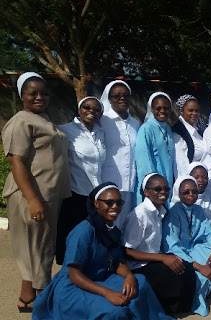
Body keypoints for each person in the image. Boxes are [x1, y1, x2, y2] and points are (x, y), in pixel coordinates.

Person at [32, 183, 172, 319]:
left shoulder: (112, 231)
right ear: (96, 204)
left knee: (139, 282)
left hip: (101, 278)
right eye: (109, 202)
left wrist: (129, 276)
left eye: (119, 202)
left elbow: (118, 263)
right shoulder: (83, 232)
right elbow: (74, 275)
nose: (115, 207)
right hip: (76, 285)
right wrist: (107, 293)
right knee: (113, 311)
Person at [2, 73, 71, 313]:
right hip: (32, 195)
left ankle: (27, 298)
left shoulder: (42, 118)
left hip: (48, 194)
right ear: (22, 96)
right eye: (33, 93)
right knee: (37, 248)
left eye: (44, 92)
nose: (39, 97)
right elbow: (16, 162)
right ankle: (44, 302)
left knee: (39, 247)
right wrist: (33, 200)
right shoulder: (20, 122)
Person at [122, 173, 196, 316]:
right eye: (157, 189)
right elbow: (127, 251)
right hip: (139, 265)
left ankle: (182, 309)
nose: (163, 192)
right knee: (170, 274)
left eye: (166, 189)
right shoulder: (139, 215)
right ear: (146, 192)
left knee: (185, 267)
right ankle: (166, 311)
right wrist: (162, 258)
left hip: (154, 259)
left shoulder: (161, 210)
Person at [163, 175, 211, 317]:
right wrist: (199, 266)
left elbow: (210, 230)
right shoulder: (173, 214)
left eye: (194, 191)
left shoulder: (198, 209)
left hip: (196, 246)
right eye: (186, 192)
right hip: (181, 252)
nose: (191, 195)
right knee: (201, 265)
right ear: (178, 193)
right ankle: (197, 300)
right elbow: (172, 246)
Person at [56, 96, 106, 264]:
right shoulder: (65, 130)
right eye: (87, 107)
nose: (91, 111)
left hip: (94, 195)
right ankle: (66, 279)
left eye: (96, 109)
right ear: (79, 110)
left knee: (89, 239)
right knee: (71, 238)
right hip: (74, 194)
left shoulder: (100, 133)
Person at [99, 80, 140, 228]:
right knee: (108, 222)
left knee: (125, 223)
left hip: (130, 182)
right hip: (108, 180)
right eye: (117, 96)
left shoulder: (135, 123)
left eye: (126, 95)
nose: (122, 98)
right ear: (109, 99)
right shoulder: (102, 121)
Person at [134, 92, 175, 204]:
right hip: (154, 187)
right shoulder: (146, 129)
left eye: (166, 108)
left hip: (166, 184)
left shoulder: (168, 129)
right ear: (152, 109)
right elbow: (143, 161)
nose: (162, 111)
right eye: (158, 108)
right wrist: (151, 186)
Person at [172, 94, 206, 177]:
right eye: (190, 110)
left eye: (197, 110)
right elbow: (181, 165)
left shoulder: (198, 129)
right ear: (182, 111)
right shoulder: (178, 133)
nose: (194, 113)